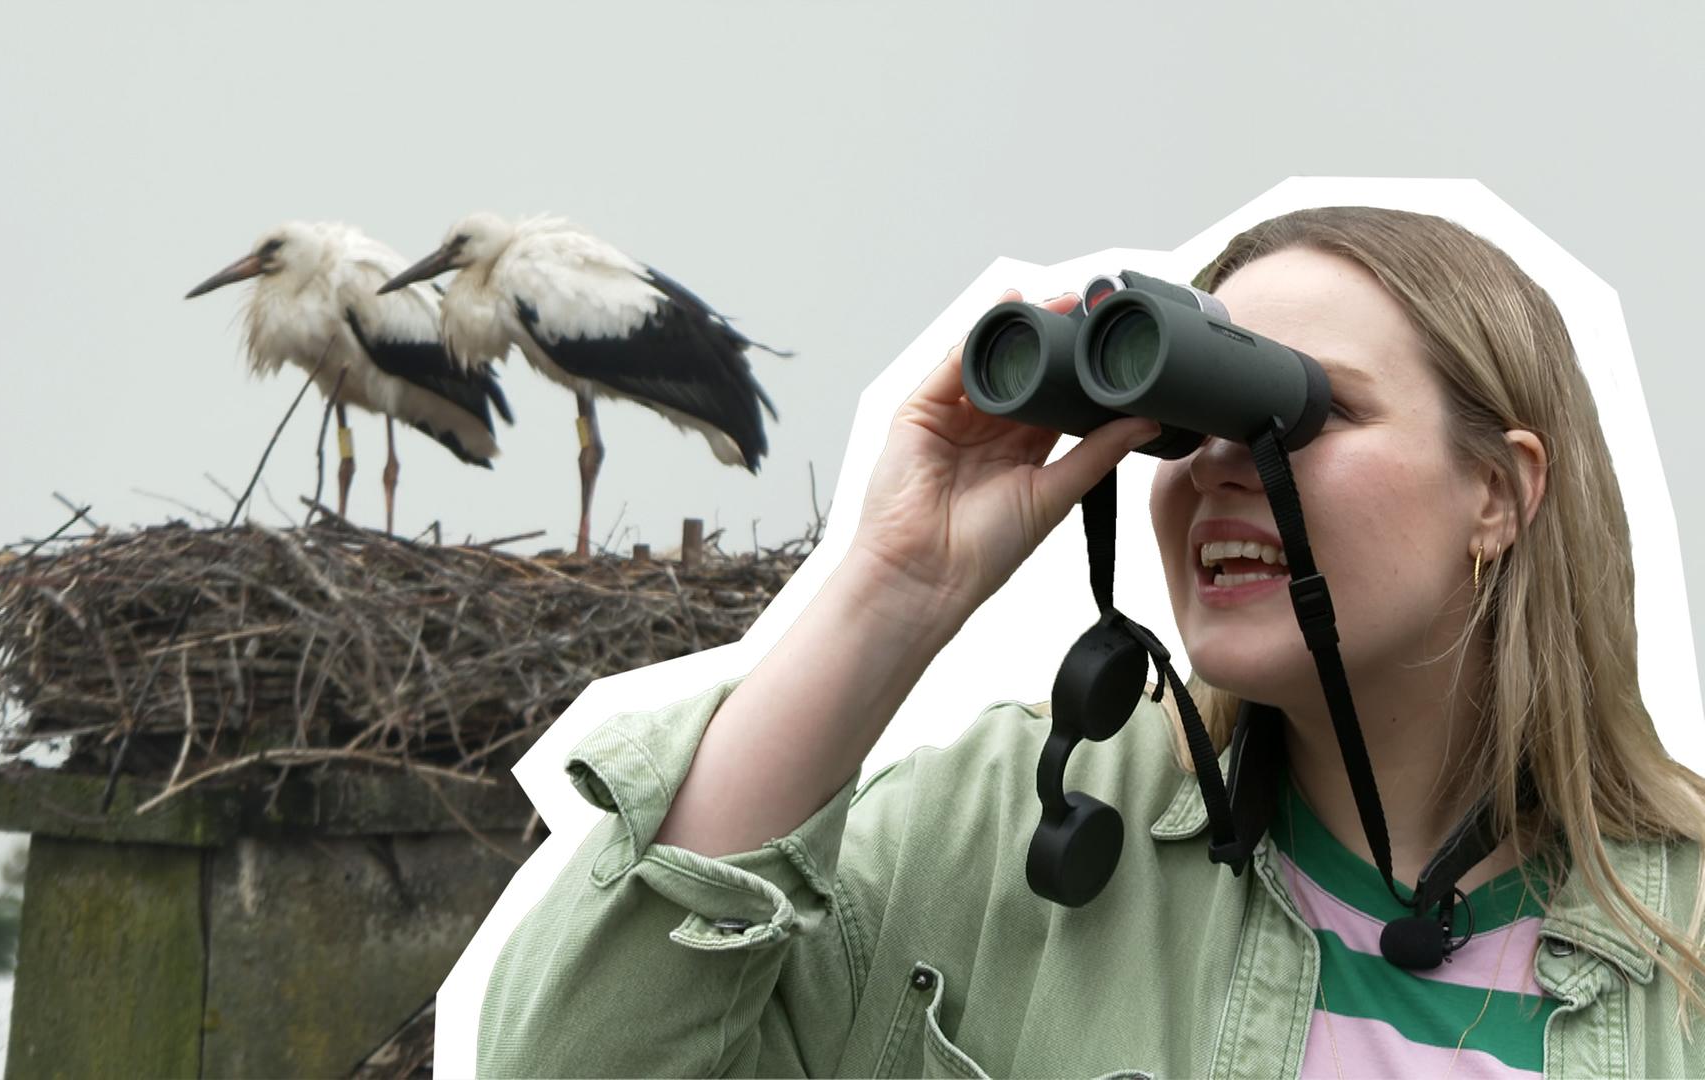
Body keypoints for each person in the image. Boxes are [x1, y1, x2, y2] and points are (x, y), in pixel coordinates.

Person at [474, 207, 1705, 1078]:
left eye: (1292, 410)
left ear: (1498, 490)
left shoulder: (1686, 941)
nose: (1219, 465)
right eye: (1179, 422)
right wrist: (890, 589)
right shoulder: (997, 838)